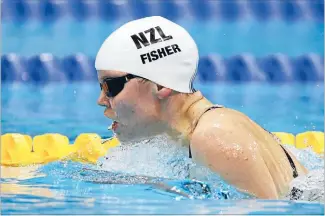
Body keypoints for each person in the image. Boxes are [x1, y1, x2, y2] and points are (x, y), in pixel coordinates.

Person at [94, 16, 308, 199]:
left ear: (161, 83)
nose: (102, 99)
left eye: (111, 86)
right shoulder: (192, 135)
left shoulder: (215, 136)